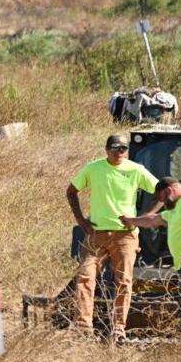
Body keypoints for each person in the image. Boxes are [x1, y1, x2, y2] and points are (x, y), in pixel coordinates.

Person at [66, 132, 159, 344]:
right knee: (85, 277)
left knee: (123, 281)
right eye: (115, 148)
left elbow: (162, 193)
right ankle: (83, 328)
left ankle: (118, 328)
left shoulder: (136, 170)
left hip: (125, 236)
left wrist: (143, 218)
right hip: (96, 234)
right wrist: (81, 220)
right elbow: (71, 191)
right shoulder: (93, 168)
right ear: (106, 149)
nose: (119, 153)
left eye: (123, 149)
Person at [122, 176, 181, 342]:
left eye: (161, 198)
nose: (161, 202)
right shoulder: (176, 209)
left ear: (169, 190)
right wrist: (130, 221)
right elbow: (153, 220)